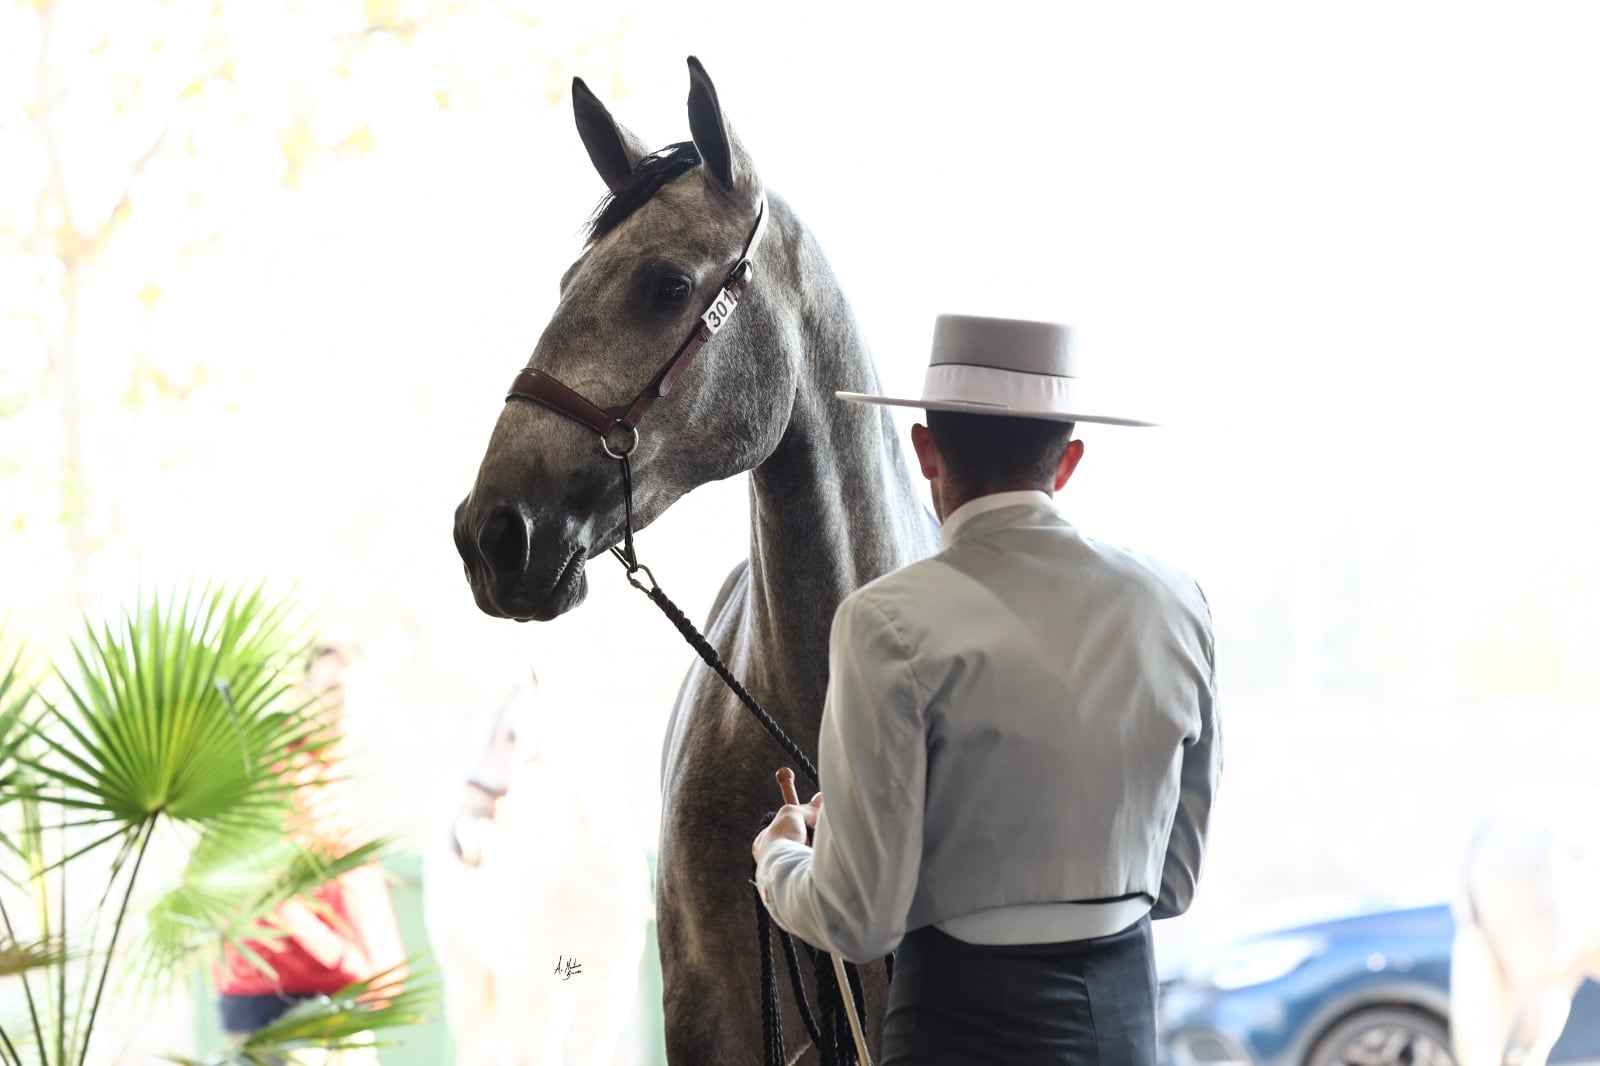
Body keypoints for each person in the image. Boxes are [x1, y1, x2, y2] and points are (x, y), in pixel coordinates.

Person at [750, 314, 1221, 1064]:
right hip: (1123, 1028)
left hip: (958, 1030)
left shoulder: (883, 622)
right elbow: (1174, 883)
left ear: (925, 451)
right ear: (1066, 463)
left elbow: (858, 921)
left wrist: (780, 859)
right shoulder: (1176, 603)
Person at [214, 644, 407, 1064]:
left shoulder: (335, 776)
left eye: (353, 695)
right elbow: (271, 895)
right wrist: (352, 964)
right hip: (282, 1003)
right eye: (332, 691)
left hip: (338, 1002)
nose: (343, 706)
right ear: (303, 696)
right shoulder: (280, 776)